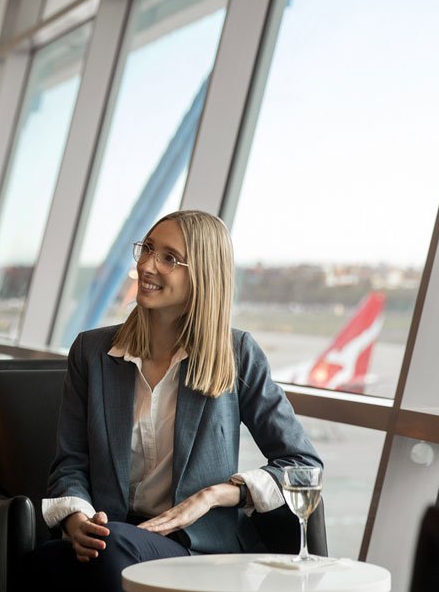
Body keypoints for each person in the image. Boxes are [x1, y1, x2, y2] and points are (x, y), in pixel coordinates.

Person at [27, 210, 322, 591]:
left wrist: (215, 495)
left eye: (168, 258)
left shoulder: (237, 354)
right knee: (45, 562)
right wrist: (77, 521)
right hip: (112, 534)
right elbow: (70, 463)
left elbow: (304, 464)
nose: (147, 265)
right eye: (147, 249)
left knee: (107, 552)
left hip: (196, 548)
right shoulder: (92, 351)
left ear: (202, 273)